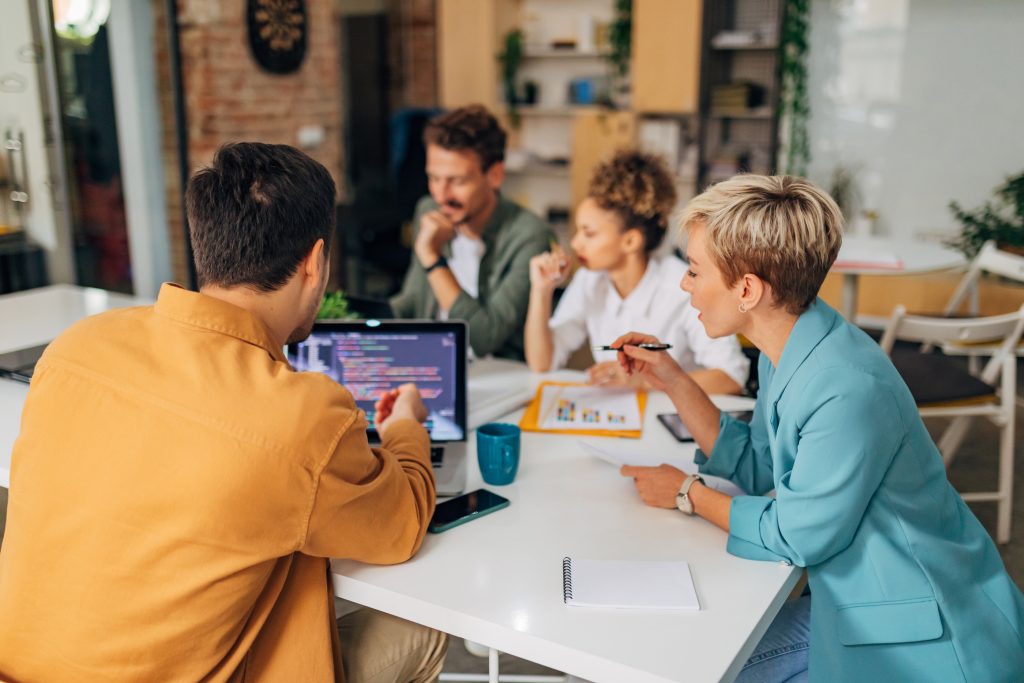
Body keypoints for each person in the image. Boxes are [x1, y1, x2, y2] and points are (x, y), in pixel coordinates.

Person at [0, 143, 448, 682]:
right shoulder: (301, 414)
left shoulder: (77, 346)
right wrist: (406, 429)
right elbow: (399, 528)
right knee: (424, 627)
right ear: (315, 262)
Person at [613, 175, 1024, 681]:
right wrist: (673, 380)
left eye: (695, 271)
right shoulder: (788, 346)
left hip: (926, 637)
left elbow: (798, 534)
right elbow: (758, 465)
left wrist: (687, 493)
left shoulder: (846, 388)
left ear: (747, 289)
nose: (684, 283)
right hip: (859, 601)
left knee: (705, 666)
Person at [525, 150, 747, 394]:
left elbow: (731, 378)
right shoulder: (588, 281)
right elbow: (542, 363)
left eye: (589, 233)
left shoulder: (683, 286)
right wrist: (541, 290)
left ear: (630, 241)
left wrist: (644, 382)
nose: (576, 243)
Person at [389, 105, 554, 360]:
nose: (441, 195)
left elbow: (484, 337)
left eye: (457, 181)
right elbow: (412, 301)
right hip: (433, 363)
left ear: (495, 175)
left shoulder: (530, 235)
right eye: (434, 178)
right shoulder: (429, 209)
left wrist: (433, 260)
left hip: (498, 374)